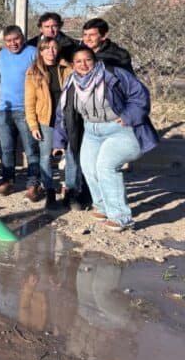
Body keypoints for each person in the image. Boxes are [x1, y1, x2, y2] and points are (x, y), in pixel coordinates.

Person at [54, 48, 158, 232]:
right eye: (78, 61)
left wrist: (129, 116)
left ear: (95, 60)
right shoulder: (71, 83)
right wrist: (58, 141)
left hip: (120, 129)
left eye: (87, 60)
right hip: (92, 131)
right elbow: (63, 113)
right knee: (88, 167)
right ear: (72, 65)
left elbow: (140, 95)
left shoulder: (113, 75)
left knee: (106, 166)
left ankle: (121, 217)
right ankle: (103, 206)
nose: (83, 65)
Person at [24, 37, 79, 209]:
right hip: (46, 121)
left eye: (54, 48)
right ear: (40, 51)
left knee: (71, 155)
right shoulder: (33, 72)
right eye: (46, 48)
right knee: (45, 156)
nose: (50, 52)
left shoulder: (68, 69)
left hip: (67, 119)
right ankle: (49, 191)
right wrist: (33, 125)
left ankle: (70, 191)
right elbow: (29, 101)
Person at [0, 25, 41, 200]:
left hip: (26, 110)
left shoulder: (33, 53)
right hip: (4, 109)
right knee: (7, 149)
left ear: (22, 37)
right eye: (8, 41)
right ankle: (8, 181)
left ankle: (33, 185)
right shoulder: (2, 55)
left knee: (31, 149)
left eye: (16, 39)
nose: (13, 43)